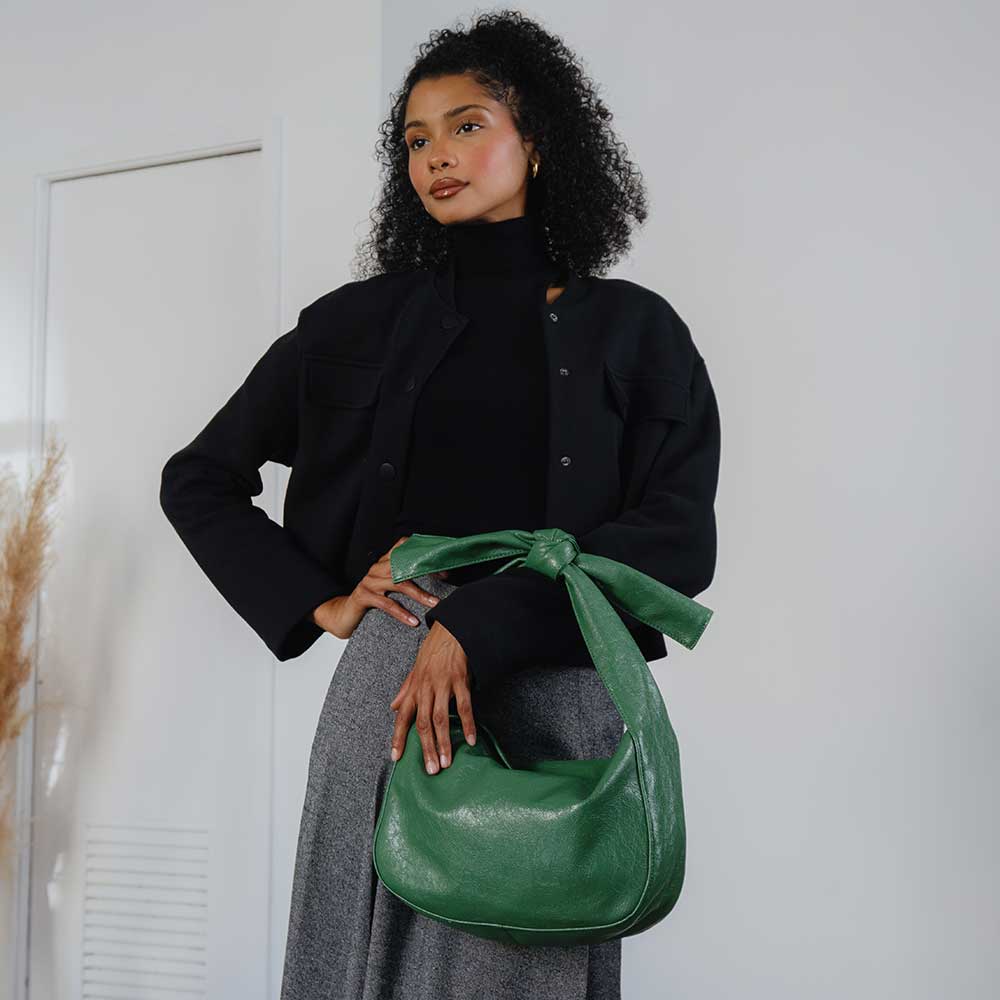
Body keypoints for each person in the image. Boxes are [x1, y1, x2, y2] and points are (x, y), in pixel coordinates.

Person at [159, 10, 720, 999]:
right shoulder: (353, 327)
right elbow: (198, 475)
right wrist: (318, 602)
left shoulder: (636, 333)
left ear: (538, 141)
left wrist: (482, 619)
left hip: (557, 684)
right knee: (357, 959)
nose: (436, 156)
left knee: (517, 969)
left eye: (468, 125)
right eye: (415, 138)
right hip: (392, 691)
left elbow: (672, 539)